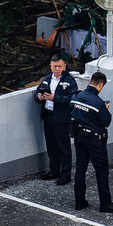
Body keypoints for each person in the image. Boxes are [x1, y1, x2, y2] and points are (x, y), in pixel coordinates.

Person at [70, 71, 113, 213]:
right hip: (93, 140)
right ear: (101, 85)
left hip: (79, 137)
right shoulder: (98, 103)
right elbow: (106, 122)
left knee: (80, 169)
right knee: (101, 171)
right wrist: (104, 109)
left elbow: (72, 112)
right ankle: (105, 204)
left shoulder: (77, 96)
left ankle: (79, 202)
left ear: (90, 82)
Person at [34, 54, 78, 185]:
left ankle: (66, 174)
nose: (57, 69)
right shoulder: (47, 78)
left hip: (62, 117)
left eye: (59, 66)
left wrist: (55, 98)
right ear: (50, 66)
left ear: (64, 66)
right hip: (48, 115)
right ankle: (54, 170)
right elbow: (37, 92)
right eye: (54, 66)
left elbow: (72, 99)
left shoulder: (69, 81)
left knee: (63, 146)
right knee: (51, 144)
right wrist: (39, 97)